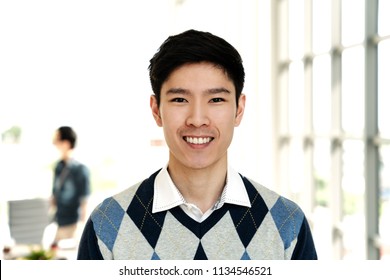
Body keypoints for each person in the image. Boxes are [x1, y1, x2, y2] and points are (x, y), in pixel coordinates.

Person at [77, 29, 317, 260]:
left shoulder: (286, 223)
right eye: (180, 99)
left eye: (216, 99)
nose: (197, 119)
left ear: (239, 109)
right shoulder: (108, 224)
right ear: (156, 110)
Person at [51, 126, 91, 247]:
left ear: (66, 143)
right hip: (58, 223)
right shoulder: (58, 167)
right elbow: (54, 196)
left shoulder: (80, 170)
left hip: (73, 226)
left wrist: (81, 228)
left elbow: (85, 201)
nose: (54, 143)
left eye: (57, 140)